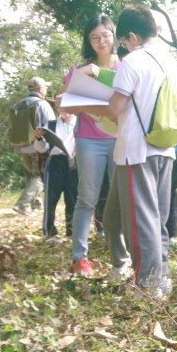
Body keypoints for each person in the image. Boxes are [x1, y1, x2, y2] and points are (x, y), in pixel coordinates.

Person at [67, 5, 177, 296]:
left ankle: (148, 283)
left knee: (141, 220)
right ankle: (161, 276)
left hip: (136, 149)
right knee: (157, 216)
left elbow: (116, 110)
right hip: (165, 146)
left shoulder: (133, 61)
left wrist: (77, 105)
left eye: (123, 40)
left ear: (131, 36)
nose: (123, 46)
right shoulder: (170, 59)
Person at [61, 15, 121, 276]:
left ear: (115, 35)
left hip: (121, 139)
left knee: (120, 199)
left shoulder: (127, 66)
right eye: (94, 37)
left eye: (105, 35)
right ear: (88, 41)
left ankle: (122, 255)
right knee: (87, 197)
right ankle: (79, 257)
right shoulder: (79, 69)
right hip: (88, 139)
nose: (101, 41)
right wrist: (79, 76)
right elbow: (64, 102)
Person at [12, 76, 55, 216]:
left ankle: (37, 205)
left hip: (21, 146)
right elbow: (50, 126)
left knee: (30, 176)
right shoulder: (42, 104)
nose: (47, 89)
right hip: (37, 146)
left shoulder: (20, 104)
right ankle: (22, 204)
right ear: (40, 89)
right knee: (38, 177)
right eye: (46, 87)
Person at [39, 112, 78, 240]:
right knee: (51, 197)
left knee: (72, 197)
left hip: (74, 162)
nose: (64, 112)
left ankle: (71, 231)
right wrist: (39, 138)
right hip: (56, 162)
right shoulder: (51, 124)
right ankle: (49, 231)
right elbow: (42, 149)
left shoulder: (79, 122)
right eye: (61, 107)